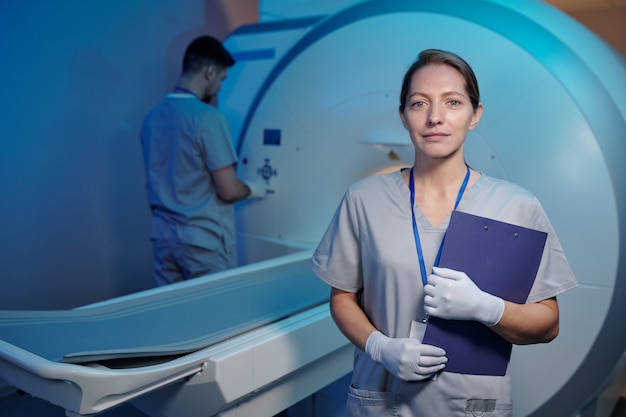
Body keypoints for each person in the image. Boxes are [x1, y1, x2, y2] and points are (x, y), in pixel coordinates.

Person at [310, 49, 578, 416]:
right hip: (382, 399)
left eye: (453, 102)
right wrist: (379, 347)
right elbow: (342, 297)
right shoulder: (363, 200)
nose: (435, 117)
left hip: (471, 405)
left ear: (475, 114)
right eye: (419, 103)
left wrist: (487, 308)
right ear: (403, 116)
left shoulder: (516, 206)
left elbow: (548, 324)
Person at [141, 35, 267, 287]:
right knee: (216, 319)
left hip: (164, 240)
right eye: (221, 79)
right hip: (202, 243)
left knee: (171, 315)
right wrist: (254, 188)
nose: (219, 88)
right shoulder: (208, 118)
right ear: (209, 72)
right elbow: (229, 190)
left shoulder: (152, 119)